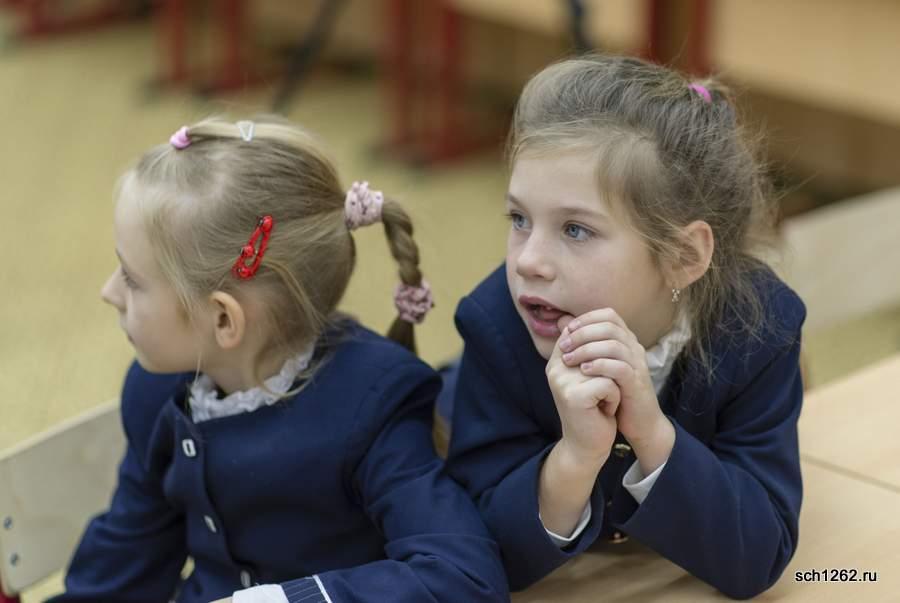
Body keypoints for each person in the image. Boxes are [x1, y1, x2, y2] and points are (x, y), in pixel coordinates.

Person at [48, 117, 508, 603]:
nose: (108, 292)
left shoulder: (372, 403)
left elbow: (464, 578)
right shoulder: (158, 391)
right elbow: (121, 569)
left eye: (131, 278)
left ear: (224, 319)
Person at [444, 54, 806, 599]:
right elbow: (476, 552)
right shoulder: (495, 324)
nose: (528, 262)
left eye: (575, 229)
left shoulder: (762, 327)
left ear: (684, 256)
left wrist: (652, 433)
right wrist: (575, 459)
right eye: (519, 219)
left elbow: (760, 554)